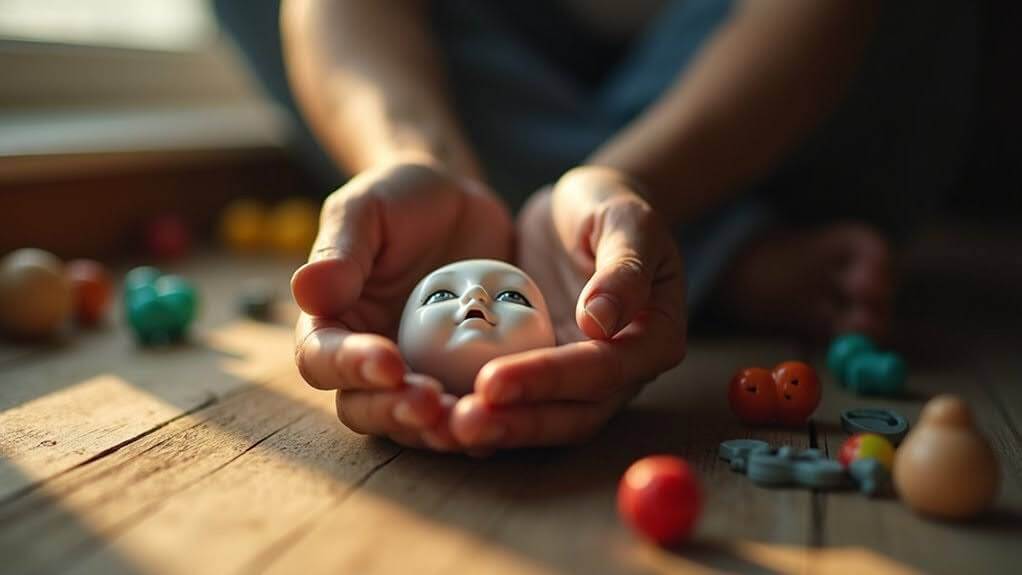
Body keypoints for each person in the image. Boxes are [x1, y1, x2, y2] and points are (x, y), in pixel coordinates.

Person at [214, 0, 976, 453]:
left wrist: (638, 182)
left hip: (763, 79)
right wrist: (412, 155)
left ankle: (662, 228)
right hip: (500, 54)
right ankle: (710, 252)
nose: (477, 305)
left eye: (501, 301)